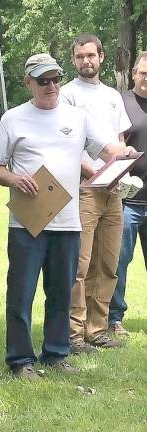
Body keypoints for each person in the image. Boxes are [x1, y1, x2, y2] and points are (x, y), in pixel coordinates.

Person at [0, 53, 134, 379]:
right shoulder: (13, 118)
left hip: (68, 221)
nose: (51, 85)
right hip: (27, 223)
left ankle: (55, 354)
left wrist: (125, 155)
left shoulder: (77, 117)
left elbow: (105, 150)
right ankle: (20, 361)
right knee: (21, 293)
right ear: (28, 83)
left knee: (61, 292)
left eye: (55, 78)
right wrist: (14, 179)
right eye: (43, 80)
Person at [60, 33, 132, 354]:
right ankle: (74, 333)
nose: (85, 61)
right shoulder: (67, 95)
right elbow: (67, 145)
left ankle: (97, 329)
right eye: (79, 57)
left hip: (113, 190)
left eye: (91, 55)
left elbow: (118, 139)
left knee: (108, 262)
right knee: (81, 264)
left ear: (102, 57)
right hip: (84, 189)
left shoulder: (114, 96)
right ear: (73, 60)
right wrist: (95, 173)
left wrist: (120, 173)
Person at [109, 51, 147, 335]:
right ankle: (114, 318)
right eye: (143, 72)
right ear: (134, 72)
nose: (146, 78)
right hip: (128, 200)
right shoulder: (121, 103)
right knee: (119, 261)